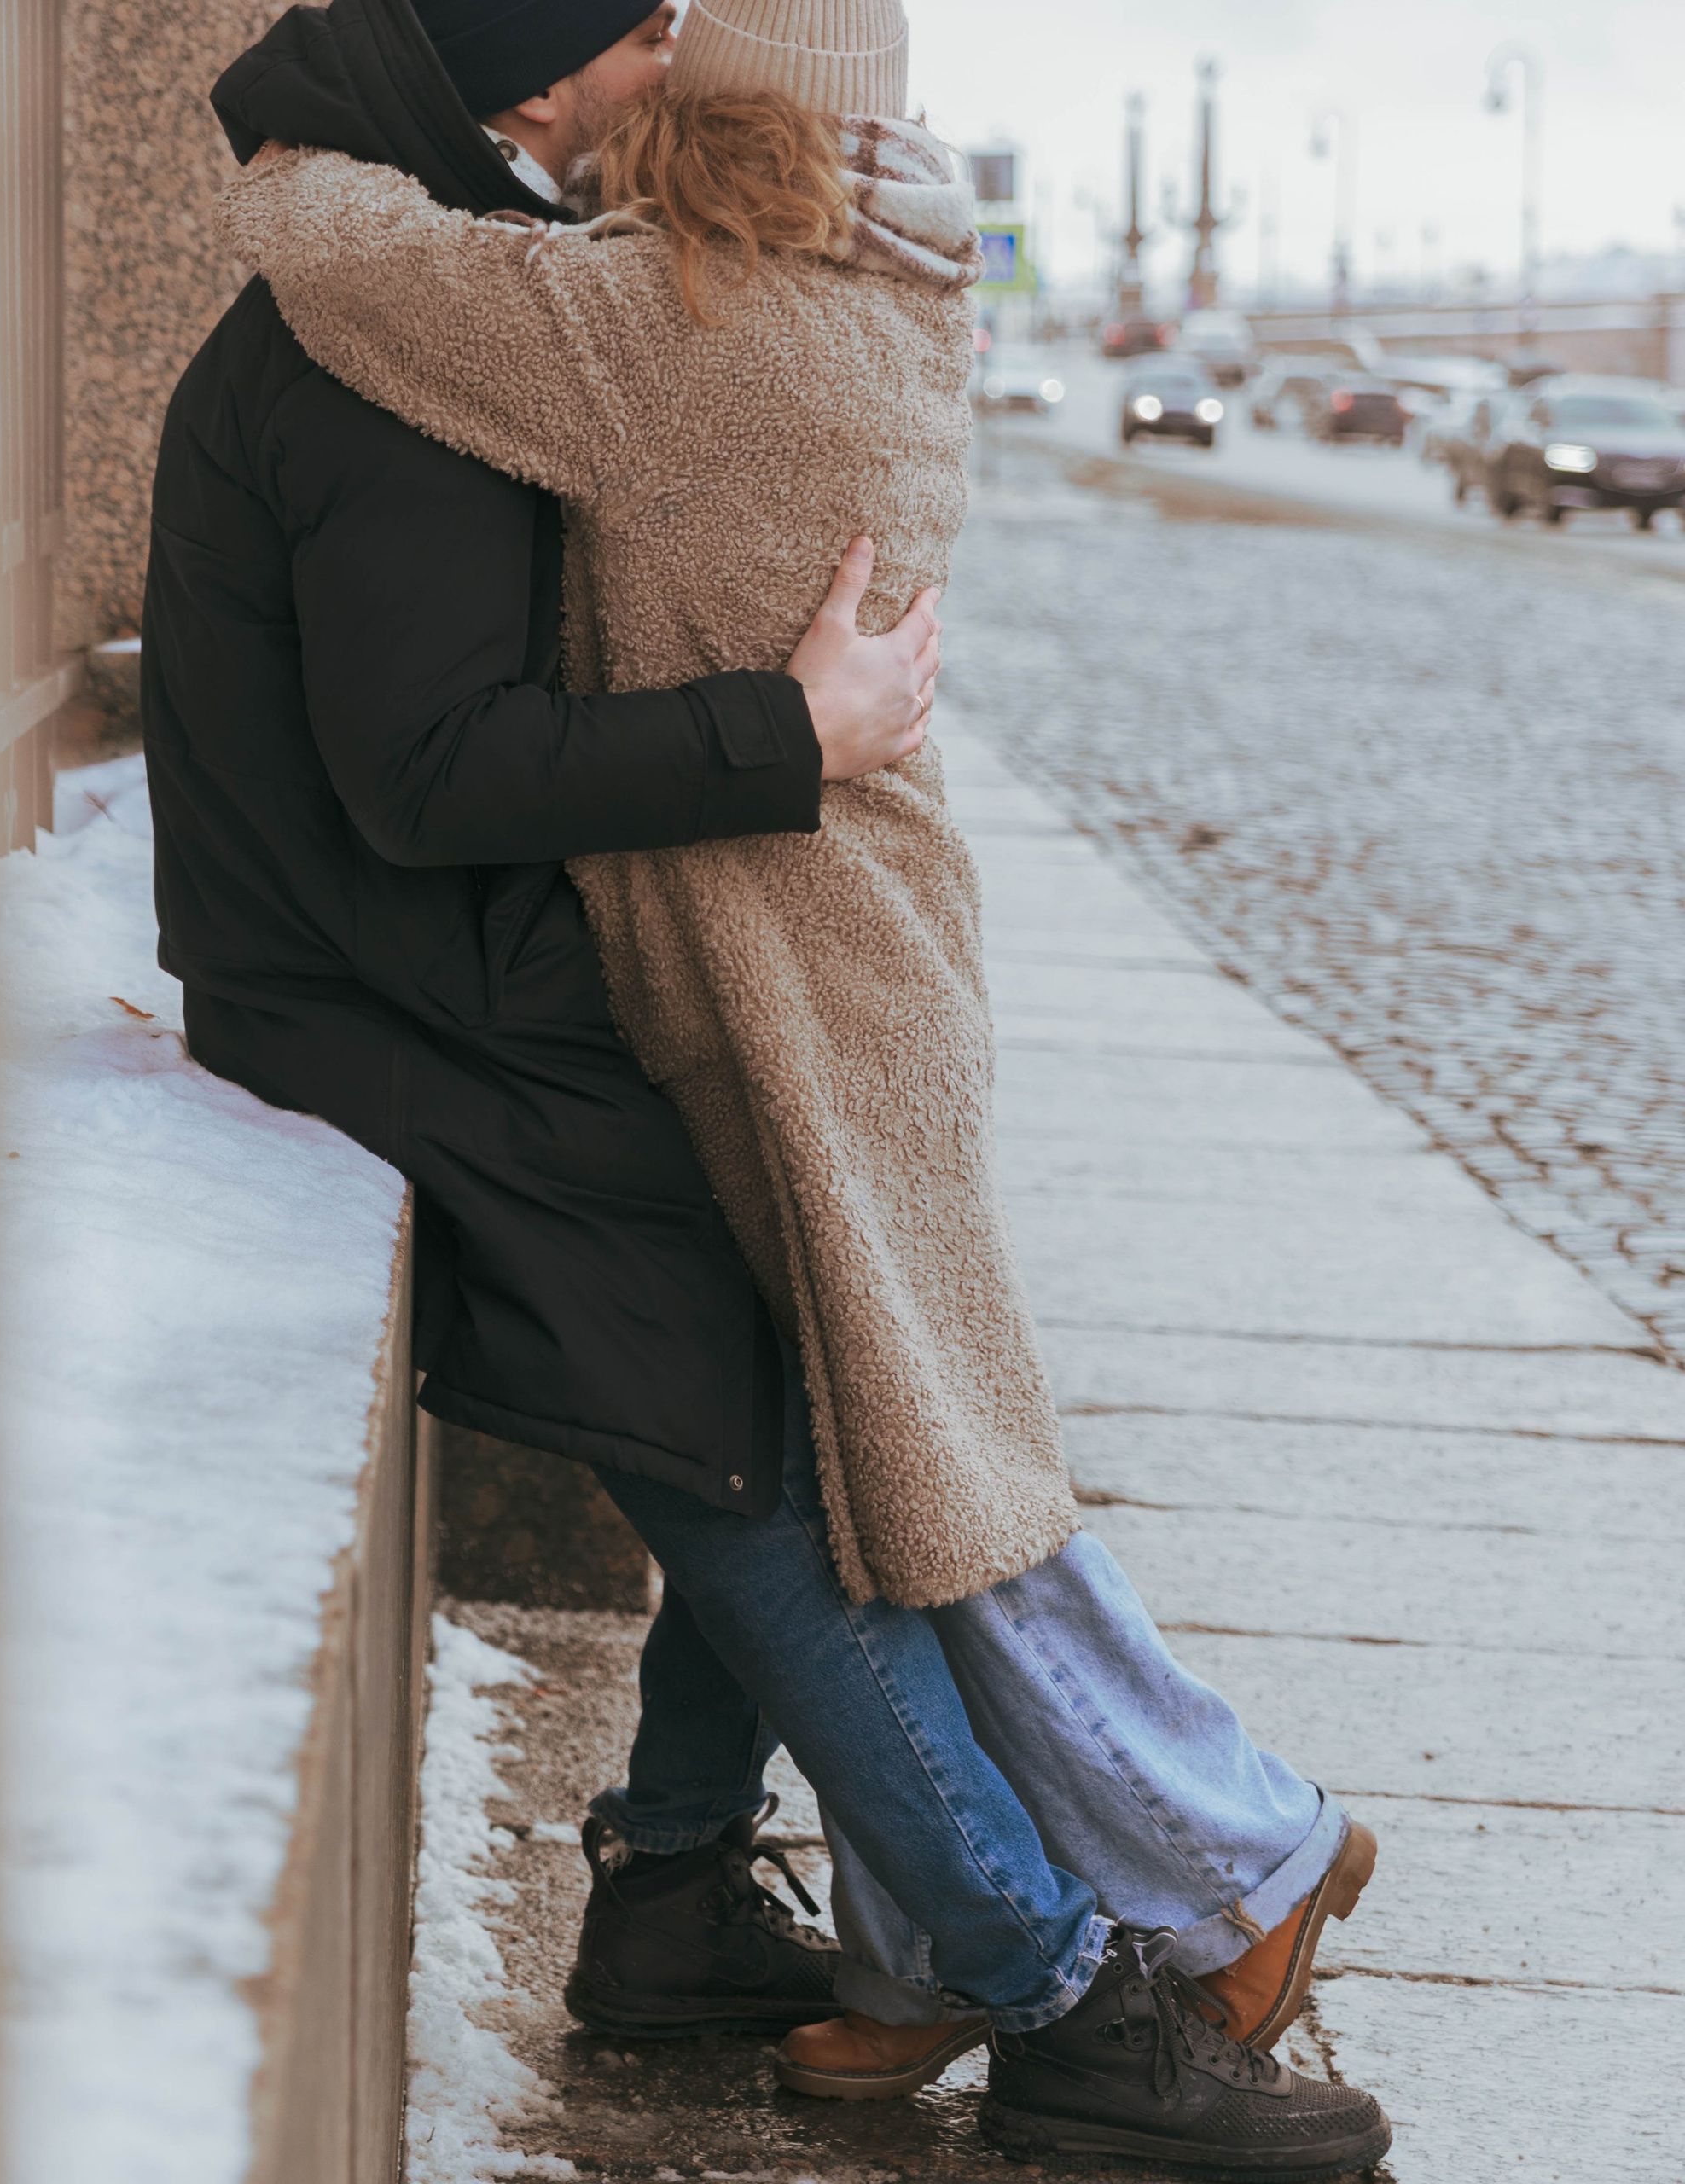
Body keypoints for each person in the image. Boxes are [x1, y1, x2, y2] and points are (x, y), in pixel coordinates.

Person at [212, 4, 1393, 2178]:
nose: (636, 55)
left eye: (675, 35)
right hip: (836, 941)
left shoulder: (662, 323)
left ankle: (1209, 1863)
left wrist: (286, 143)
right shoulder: (867, 274)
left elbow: (357, 256)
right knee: (827, 1416)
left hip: (785, 961)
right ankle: (823, 1912)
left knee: (904, 1466)